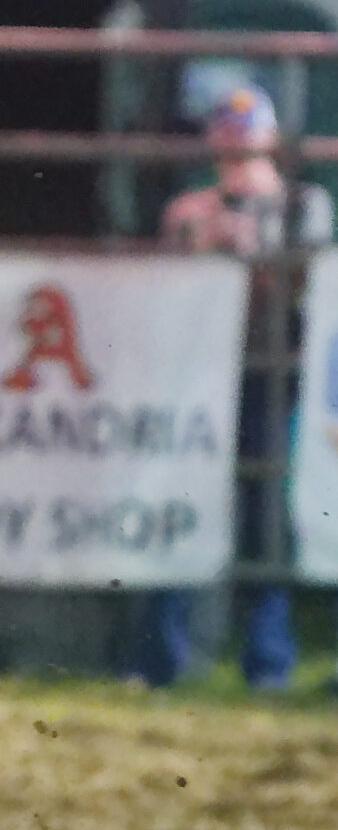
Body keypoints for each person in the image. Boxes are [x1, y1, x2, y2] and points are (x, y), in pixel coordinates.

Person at [125, 83, 334, 689]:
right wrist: (202, 246)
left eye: (248, 126)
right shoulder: (190, 212)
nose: (237, 138)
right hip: (199, 377)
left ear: (269, 137)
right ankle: (160, 657)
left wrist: (256, 256)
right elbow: (166, 288)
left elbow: (309, 280)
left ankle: (268, 661)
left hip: (272, 375)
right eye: (227, 125)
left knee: (266, 513)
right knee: (181, 504)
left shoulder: (302, 204)